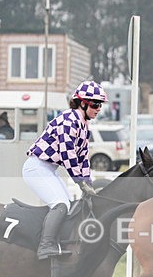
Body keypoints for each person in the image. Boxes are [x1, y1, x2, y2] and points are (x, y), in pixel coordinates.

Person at [22, 79, 106, 259]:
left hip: (47, 169)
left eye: (100, 105)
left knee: (69, 205)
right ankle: (45, 246)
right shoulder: (69, 120)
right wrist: (80, 182)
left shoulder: (84, 127)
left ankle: (59, 242)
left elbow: (83, 159)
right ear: (82, 103)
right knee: (61, 204)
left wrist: (88, 182)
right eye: (95, 104)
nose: (98, 108)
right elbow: (68, 155)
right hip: (36, 168)